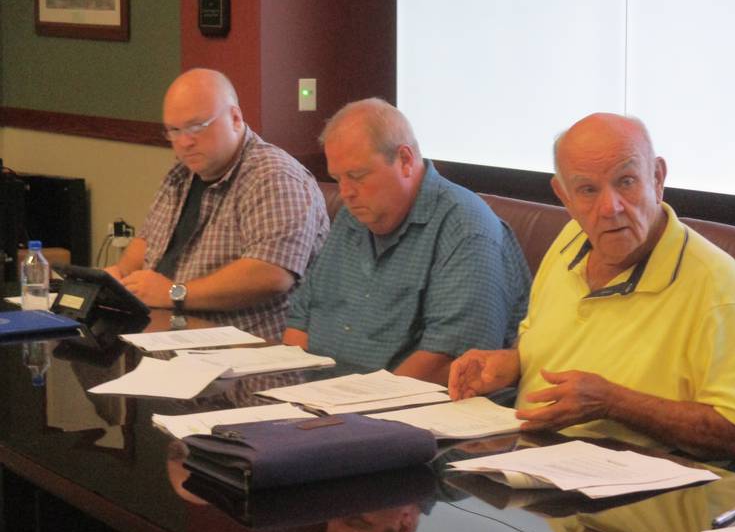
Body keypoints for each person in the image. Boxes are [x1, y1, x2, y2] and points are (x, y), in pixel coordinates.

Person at [448, 113, 735, 462]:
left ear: (657, 178)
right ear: (564, 195)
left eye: (625, 182)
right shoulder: (569, 242)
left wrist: (614, 403)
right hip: (538, 471)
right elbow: (552, 343)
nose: (610, 208)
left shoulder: (714, 282)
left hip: (648, 495)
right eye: (588, 190)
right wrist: (512, 364)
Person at [283, 98, 531, 384]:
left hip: (409, 410)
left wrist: (358, 406)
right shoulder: (353, 217)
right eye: (338, 179)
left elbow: (449, 360)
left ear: (405, 160)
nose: (346, 192)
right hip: (324, 401)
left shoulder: (465, 228)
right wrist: (295, 390)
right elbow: (301, 320)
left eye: (357, 176)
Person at [107, 68, 329, 340]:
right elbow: (148, 241)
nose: (185, 142)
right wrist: (119, 277)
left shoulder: (274, 177)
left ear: (235, 118)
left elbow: (270, 274)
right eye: (174, 131)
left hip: (245, 351)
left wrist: (174, 292)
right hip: (170, 335)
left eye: (197, 127)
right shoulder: (183, 173)